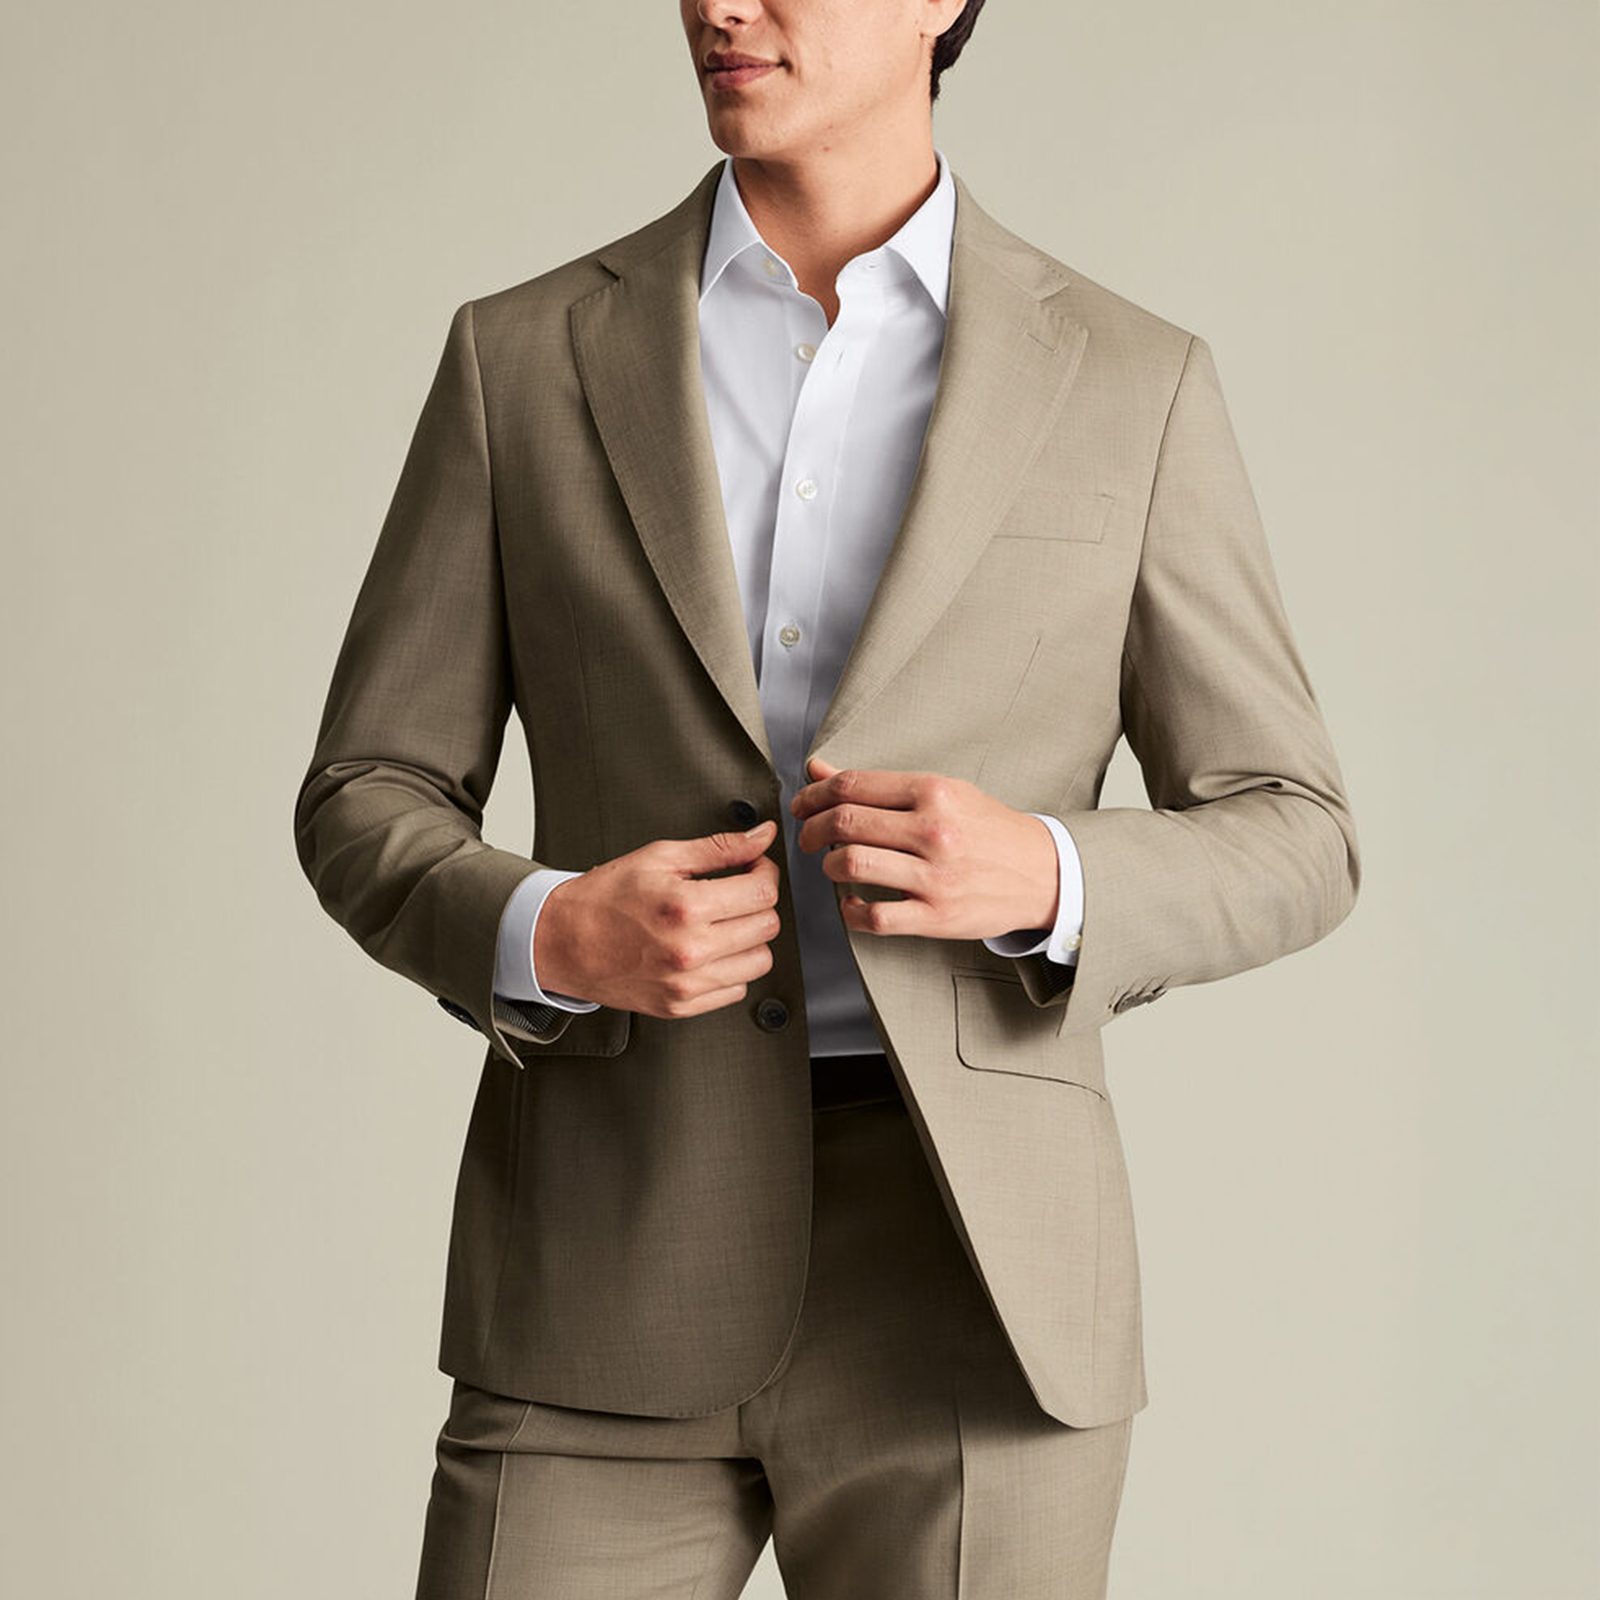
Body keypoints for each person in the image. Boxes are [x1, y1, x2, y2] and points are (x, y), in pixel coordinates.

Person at [293, 1, 1361, 1594]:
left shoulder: (1131, 381)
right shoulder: (521, 358)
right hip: (603, 1245)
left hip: (977, 1294)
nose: (721, 5)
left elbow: (1294, 825)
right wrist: (548, 931)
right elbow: (366, 788)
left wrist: (1050, 874)